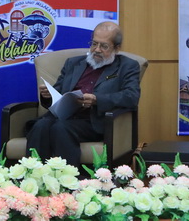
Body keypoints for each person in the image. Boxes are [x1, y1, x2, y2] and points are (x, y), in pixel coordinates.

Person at [26, 21, 141, 167]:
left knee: (60, 128)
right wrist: (47, 95)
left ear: (117, 48)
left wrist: (97, 100)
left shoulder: (127, 66)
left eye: (104, 46)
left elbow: (131, 96)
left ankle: (67, 176)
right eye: (94, 44)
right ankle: (34, 174)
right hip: (63, 115)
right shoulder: (73, 63)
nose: (97, 50)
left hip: (92, 121)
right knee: (40, 125)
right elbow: (57, 93)